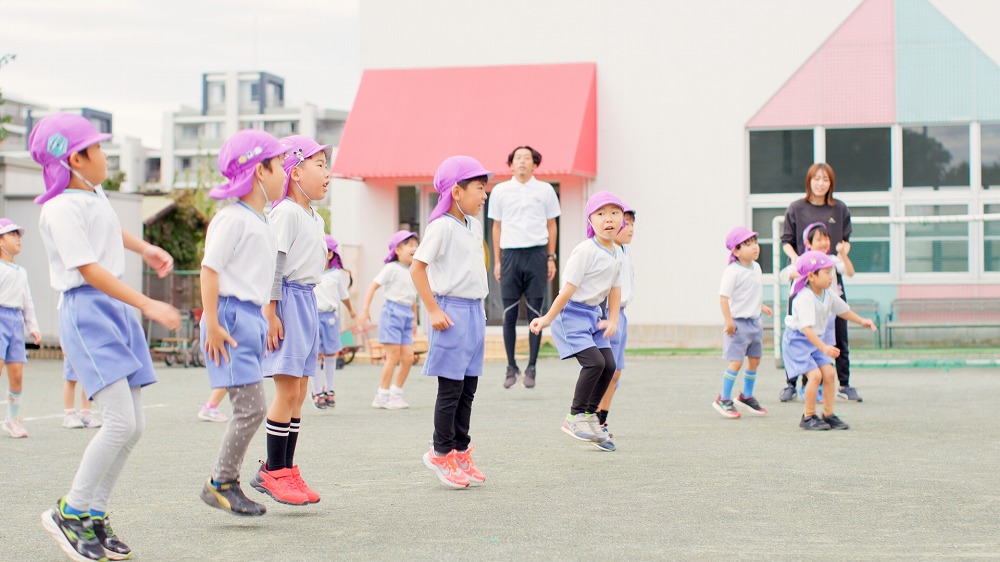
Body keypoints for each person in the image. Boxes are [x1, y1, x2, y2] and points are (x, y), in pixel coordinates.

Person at [31, 113, 181, 561]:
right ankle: (69, 511)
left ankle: (95, 515)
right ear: (75, 158)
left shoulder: (92, 194)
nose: (105, 158)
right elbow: (89, 271)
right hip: (89, 311)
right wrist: (147, 303)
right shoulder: (58, 208)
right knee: (118, 422)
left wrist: (144, 247)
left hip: (115, 310)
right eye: (99, 150)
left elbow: (109, 231)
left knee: (133, 427)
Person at [198, 128, 288, 517]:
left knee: (250, 408)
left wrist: (266, 316)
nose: (285, 171)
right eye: (280, 164)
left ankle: (225, 482)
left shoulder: (260, 217)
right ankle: (221, 483)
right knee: (251, 408)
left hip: (247, 316)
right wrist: (214, 323)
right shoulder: (233, 218)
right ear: (260, 170)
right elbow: (209, 269)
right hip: (230, 318)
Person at [253, 135, 330, 506]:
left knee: (299, 391)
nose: (327, 173)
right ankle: (273, 471)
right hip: (286, 302)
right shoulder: (284, 211)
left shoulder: (314, 216)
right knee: (287, 391)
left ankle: (287, 468)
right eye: (320, 165)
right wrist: (270, 311)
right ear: (295, 171)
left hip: (306, 301)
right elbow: (274, 263)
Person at [412, 155, 491, 488]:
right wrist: (432, 310)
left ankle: (460, 449)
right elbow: (417, 268)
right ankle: (441, 452)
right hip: (450, 311)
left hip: (475, 311)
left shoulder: (471, 225)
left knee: (468, 389)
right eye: (478, 188)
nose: (484, 194)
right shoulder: (441, 226)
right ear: (456, 192)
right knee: (451, 389)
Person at [530, 190, 625, 452]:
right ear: (590, 221)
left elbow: (615, 289)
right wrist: (548, 318)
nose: (609, 219)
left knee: (609, 365)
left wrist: (613, 318)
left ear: (622, 221)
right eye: (601, 213)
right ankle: (574, 417)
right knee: (594, 362)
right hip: (570, 314)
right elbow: (567, 290)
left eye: (615, 213)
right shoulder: (585, 251)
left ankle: (590, 416)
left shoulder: (617, 253)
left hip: (594, 316)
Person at [780, 163, 860, 402]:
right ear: (809, 181)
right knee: (799, 330)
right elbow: (786, 241)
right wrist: (801, 264)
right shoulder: (796, 208)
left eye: (825, 179)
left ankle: (843, 384)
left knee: (838, 333)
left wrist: (843, 251)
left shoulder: (840, 208)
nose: (821, 183)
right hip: (805, 283)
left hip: (830, 282)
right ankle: (791, 383)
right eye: (816, 178)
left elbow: (845, 244)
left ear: (831, 183)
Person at [488, 146, 561, 389]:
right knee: (509, 313)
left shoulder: (545, 190)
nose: (522, 162)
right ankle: (511, 366)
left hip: (537, 254)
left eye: (526, 158)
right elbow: (496, 228)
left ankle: (532, 366)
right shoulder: (500, 191)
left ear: (535, 164)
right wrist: (498, 261)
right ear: (510, 164)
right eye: (517, 158)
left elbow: (552, 225)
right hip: (509, 255)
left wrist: (551, 257)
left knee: (535, 314)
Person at [782, 251, 876, 431]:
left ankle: (828, 414)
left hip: (815, 340)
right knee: (815, 376)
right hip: (798, 342)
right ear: (811, 276)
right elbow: (807, 330)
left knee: (830, 374)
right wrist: (824, 347)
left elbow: (843, 311)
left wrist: (862, 321)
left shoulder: (827, 293)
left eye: (831, 272)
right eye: (826, 273)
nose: (830, 276)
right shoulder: (804, 298)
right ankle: (808, 416)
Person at [715, 227, 773, 419]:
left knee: (755, 360)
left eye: (755, 243)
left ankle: (746, 396)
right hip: (738, 324)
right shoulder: (732, 271)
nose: (755, 247)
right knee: (737, 362)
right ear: (736, 251)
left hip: (755, 322)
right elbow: (724, 298)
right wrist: (729, 322)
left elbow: (750, 293)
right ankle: (723, 399)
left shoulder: (756, 267)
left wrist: (761, 306)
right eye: (748, 245)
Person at [358, 230, 419, 410]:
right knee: (392, 357)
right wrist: (365, 310)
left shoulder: (415, 270)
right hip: (392, 312)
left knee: (408, 358)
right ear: (397, 250)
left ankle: (396, 393)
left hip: (407, 315)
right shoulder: (391, 268)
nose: (414, 248)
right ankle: (382, 396)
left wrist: (414, 319)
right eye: (410, 245)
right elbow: (372, 286)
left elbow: (413, 297)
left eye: (416, 244)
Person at [594, 206, 636, 437]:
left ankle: (601, 418)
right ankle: (591, 415)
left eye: (631, 224)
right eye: (625, 223)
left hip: (621, 315)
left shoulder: (626, 251)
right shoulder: (605, 251)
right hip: (607, 315)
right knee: (606, 370)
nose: (629, 228)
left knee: (616, 371)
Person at [0, 219, 40, 438]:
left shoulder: (21, 271)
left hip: (15, 322)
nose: (18, 239)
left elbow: (27, 302)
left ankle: (12, 419)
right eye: (11, 234)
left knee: (16, 375)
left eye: (19, 235)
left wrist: (32, 327)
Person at [311, 234, 355, 409]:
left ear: (330, 254)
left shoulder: (336, 275)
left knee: (330, 354)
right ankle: (316, 391)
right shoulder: (308, 272)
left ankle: (329, 389)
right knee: (315, 355)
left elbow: (344, 295)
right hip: (313, 316)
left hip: (330, 318)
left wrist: (351, 310)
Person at [63, 362, 102, 429]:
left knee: (89, 378)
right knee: (71, 378)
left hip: (88, 352)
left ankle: (85, 414)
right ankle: (69, 415)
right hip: (72, 352)